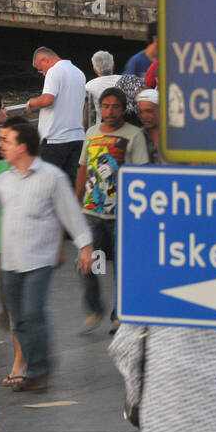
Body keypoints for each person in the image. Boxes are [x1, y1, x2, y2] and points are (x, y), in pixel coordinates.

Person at [0, 118, 93, 393]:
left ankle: (40, 370)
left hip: (39, 260)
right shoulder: (5, 179)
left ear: (23, 147)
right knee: (19, 319)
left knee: (32, 312)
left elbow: (71, 214)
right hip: (10, 261)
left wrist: (85, 246)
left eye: (7, 141)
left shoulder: (52, 177)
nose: (0, 145)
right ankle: (34, 368)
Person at [76, 87, 148, 335]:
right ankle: (95, 308)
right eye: (105, 106)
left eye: (115, 106)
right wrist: (77, 204)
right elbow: (83, 168)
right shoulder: (91, 133)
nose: (110, 111)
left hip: (122, 215)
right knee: (89, 264)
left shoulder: (134, 135)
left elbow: (142, 177)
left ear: (124, 108)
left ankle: (119, 315)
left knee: (121, 268)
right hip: (92, 212)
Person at [27, 47, 88, 185]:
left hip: (55, 139)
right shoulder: (79, 72)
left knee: (45, 185)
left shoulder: (54, 71)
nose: (43, 73)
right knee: (68, 185)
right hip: (77, 137)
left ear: (45, 59)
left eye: (41, 69)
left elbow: (47, 99)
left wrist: (31, 102)